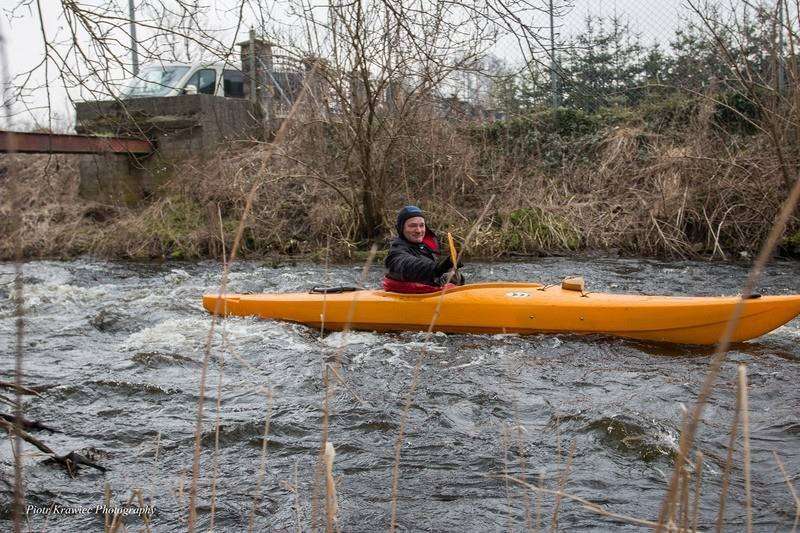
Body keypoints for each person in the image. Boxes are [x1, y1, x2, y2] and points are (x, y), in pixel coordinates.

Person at [383, 205, 462, 291]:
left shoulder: (424, 249)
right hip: (408, 299)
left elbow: (432, 275)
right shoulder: (396, 251)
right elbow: (408, 266)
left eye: (421, 225)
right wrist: (438, 267)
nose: (419, 230)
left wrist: (448, 273)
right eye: (412, 226)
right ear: (402, 228)